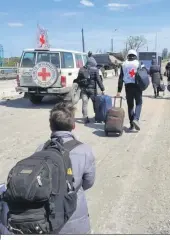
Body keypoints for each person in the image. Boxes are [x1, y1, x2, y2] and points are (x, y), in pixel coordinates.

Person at [36, 102, 96, 234]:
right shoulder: (84, 150)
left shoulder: (41, 148)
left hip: (47, 219)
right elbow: (89, 182)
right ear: (73, 125)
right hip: (75, 216)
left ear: (51, 126)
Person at [117, 49, 142, 131]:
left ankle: (131, 125)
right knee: (138, 103)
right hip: (137, 86)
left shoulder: (123, 64)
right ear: (135, 55)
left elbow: (120, 78)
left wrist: (119, 91)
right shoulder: (138, 63)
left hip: (128, 86)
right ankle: (136, 119)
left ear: (128, 55)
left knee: (130, 106)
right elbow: (144, 74)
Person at [74, 57, 105, 124]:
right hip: (92, 90)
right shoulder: (95, 70)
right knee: (95, 103)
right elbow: (99, 80)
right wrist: (102, 89)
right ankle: (97, 118)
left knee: (84, 103)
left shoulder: (81, 69)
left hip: (83, 90)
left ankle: (85, 118)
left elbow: (78, 79)